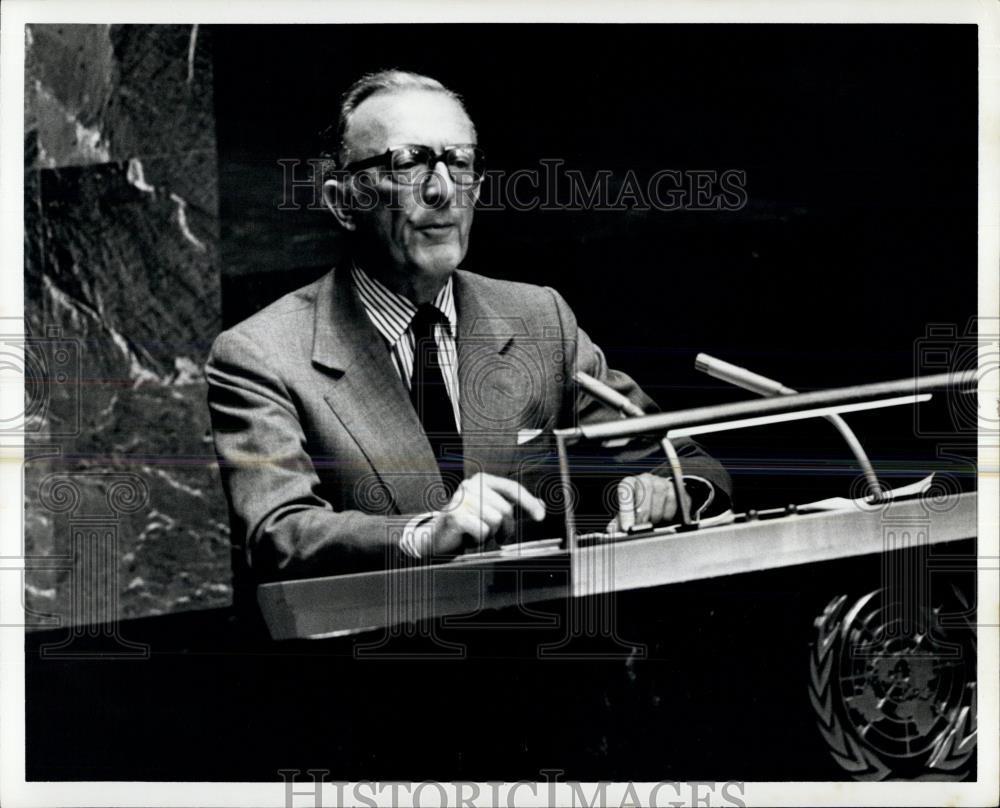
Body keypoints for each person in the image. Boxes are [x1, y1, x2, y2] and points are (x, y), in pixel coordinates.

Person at [206, 70, 732, 583]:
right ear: (344, 202)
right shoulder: (260, 354)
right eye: (409, 163)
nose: (441, 191)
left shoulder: (538, 318)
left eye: (459, 163)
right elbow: (280, 531)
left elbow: (685, 462)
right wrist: (420, 534)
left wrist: (665, 490)